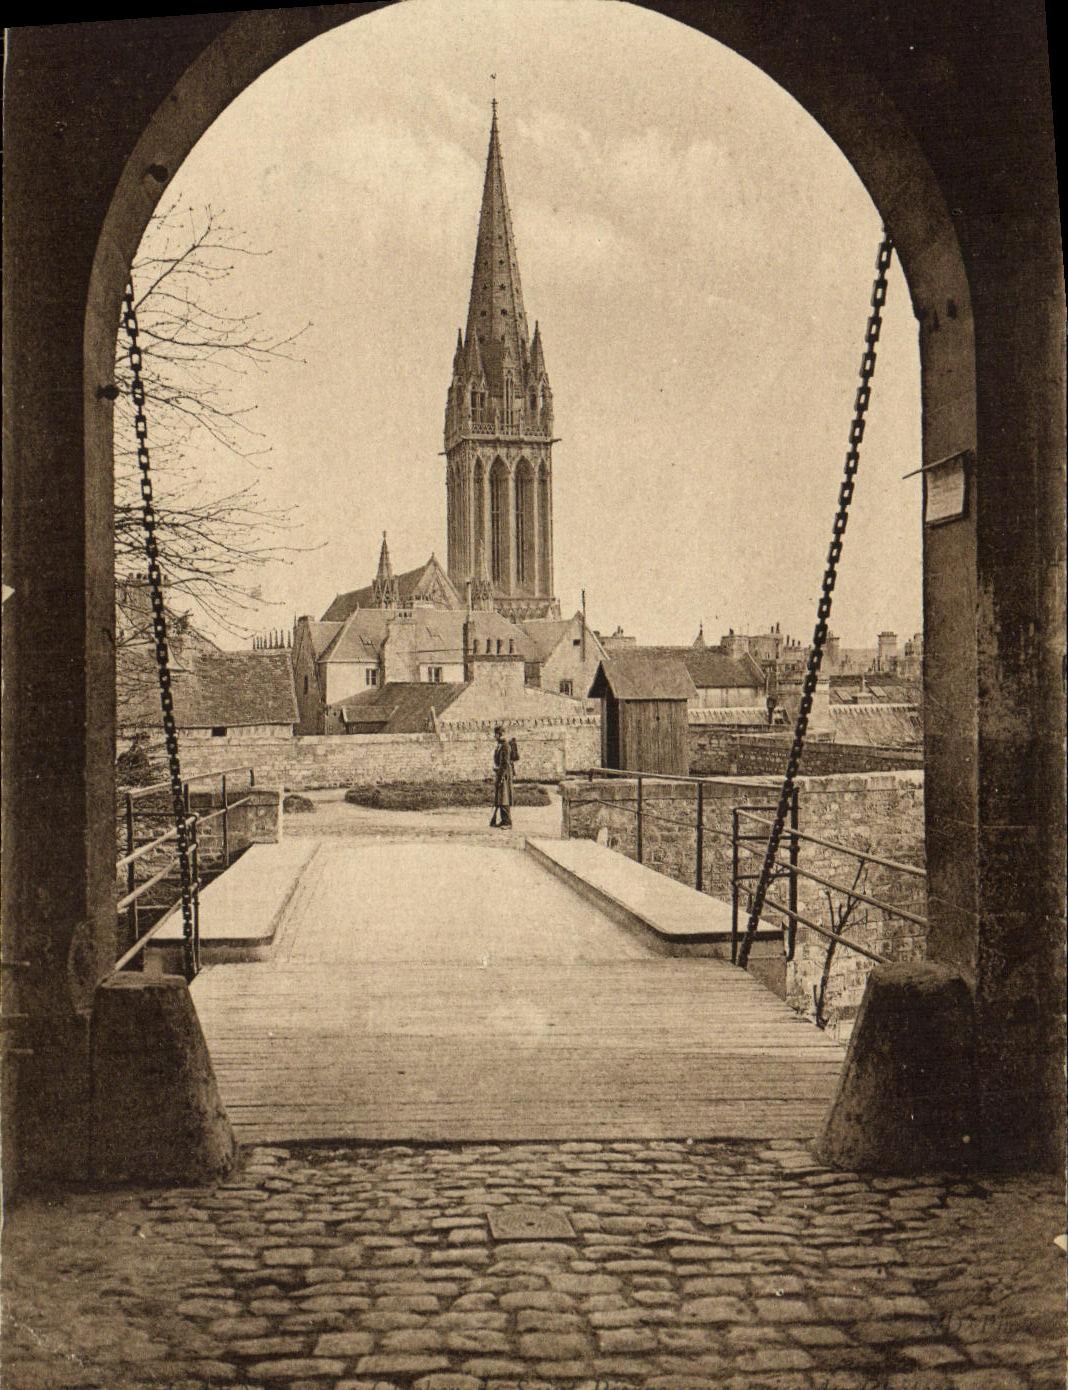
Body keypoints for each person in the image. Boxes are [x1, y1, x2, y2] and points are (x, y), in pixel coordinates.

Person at [490, 724, 518, 828]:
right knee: (500, 797)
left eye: (496, 734)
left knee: (504, 797)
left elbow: (505, 763)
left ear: (499, 734)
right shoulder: (501, 745)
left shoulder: (505, 746)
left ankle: (508, 822)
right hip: (501, 772)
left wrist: (501, 776)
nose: (494, 737)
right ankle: (503, 820)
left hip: (504, 774)